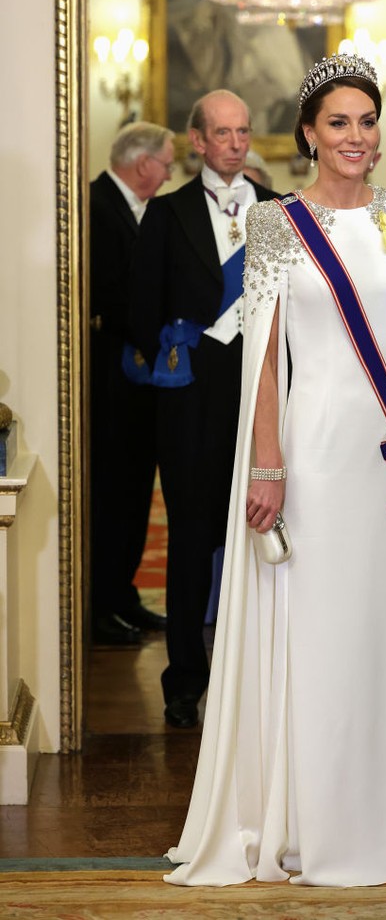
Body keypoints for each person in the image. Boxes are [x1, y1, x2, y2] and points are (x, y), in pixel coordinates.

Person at [164, 53, 386, 887]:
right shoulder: (275, 225)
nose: (357, 137)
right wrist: (267, 466)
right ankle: (313, 817)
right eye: (339, 122)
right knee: (322, 629)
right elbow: (264, 361)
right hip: (315, 455)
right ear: (307, 133)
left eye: (367, 121)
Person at [131, 90, 277, 729]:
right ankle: (185, 679)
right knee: (191, 538)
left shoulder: (278, 212)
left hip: (265, 386)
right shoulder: (166, 215)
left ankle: (263, 672)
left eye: (243, 132)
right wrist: (175, 342)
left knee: (267, 526)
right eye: (223, 133)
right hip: (192, 394)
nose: (236, 143)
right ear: (197, 141)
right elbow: (142, 305)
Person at [90, 121, 175, 646]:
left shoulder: (134, 209)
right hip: (110, 384)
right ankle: (101, 604)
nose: (168, 173)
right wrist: (163, 330)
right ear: (142, 164)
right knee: (111, 496)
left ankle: (123, 596)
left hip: (137, 383)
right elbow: (114, 294)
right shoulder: (96, 206)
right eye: (166, 163)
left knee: (136, 491)